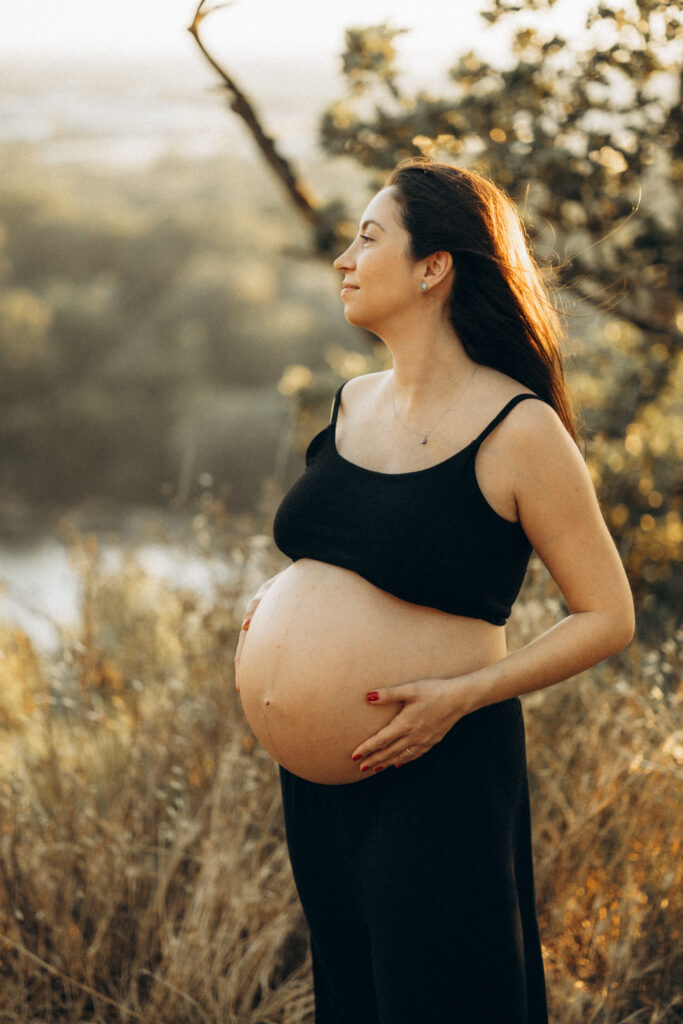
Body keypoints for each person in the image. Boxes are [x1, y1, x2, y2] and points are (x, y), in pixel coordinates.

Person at [234, 159, 635, 1024]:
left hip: (435, 768)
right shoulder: (349, 404)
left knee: (445, 1002)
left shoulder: (518, 427)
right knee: (356, 1000)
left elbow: (608, 614)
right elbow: (351, 549)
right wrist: (280, 601)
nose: (344, 258)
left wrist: (460, 698)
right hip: (320, 785)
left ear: (433, 267)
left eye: (367, 238)